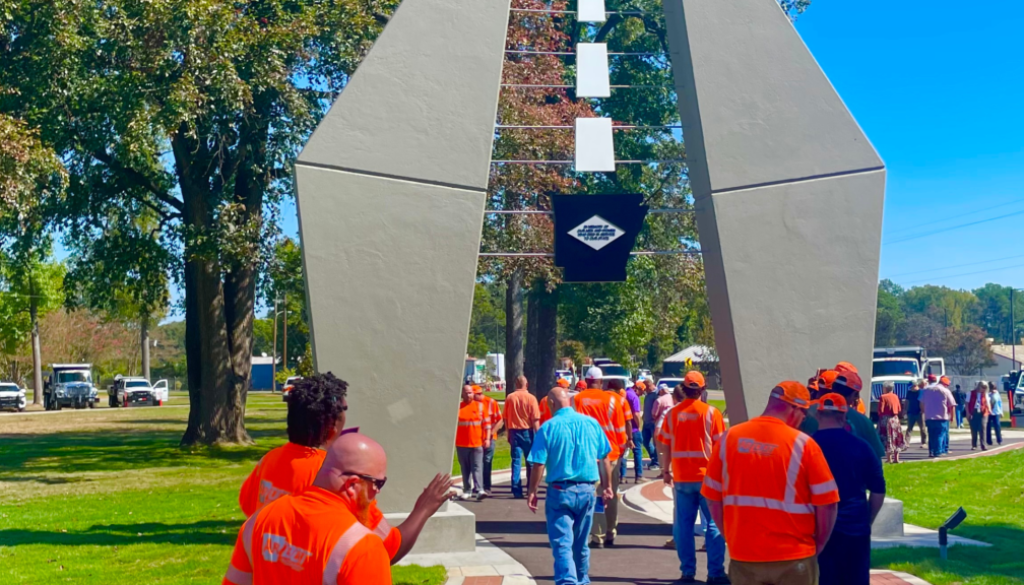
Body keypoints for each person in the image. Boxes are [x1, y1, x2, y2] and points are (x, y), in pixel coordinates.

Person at [224, 433, 452, 585]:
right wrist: (423, 510)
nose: (377, 492)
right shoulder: (363, 547)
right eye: (378, 483)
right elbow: (393, 546)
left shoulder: (259, 521)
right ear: (352, 485)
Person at [702, 381, 838, 585]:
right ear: (794, 408)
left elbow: (712, 498)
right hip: (794, 557)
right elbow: (828, 504)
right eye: (804, 414)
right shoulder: (804, 445)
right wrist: (817, 545)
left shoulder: (729, 439)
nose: (804, 419)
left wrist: (730, 537)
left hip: (745, 556)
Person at [527, 387, 614, 585]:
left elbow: (538, 463)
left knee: (562, 543)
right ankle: (582, 579)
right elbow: (604, 457)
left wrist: (532, 491)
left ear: (551, 403)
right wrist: (607, 486)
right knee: (581, 543)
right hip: (587, 490)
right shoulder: (591, 424)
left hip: (560, 491)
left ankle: (568, 581)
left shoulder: (548, 428)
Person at [656, 371, 728, 584]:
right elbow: (721, 447)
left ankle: (687, 573)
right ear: (702, 390)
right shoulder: (712, 413)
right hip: (708, 478)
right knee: (714, 525)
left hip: (682, 478)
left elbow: (665, 445)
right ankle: (715, 573)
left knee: (684, 527)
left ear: (684, 389)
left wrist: (666, 471)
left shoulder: (672, 414)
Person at [813, 394, 886, 585]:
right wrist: (867, 519)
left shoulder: (807, 447)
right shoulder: (862, 447)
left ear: (818, 415)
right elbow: (878, 489)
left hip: (817, 531)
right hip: (855, 529)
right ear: (844, 416)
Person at [574, 367, 628, 548]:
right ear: (601, 382)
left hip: (587, 454)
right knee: (610, 493)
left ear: (586, 381)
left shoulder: (577, 400)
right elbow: (620, 429)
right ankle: (611, 531)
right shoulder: (612, 400)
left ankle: (597, 535)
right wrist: (621, 450)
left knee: (595, 494)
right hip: (610, 454)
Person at [801, 372, 885, 459]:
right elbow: (876, 459)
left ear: (833, 388)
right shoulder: (865, 423)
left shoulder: (808, 412)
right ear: (855, 395)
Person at [504, 375, 541, 499]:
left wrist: (508, 433)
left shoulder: (510, 398)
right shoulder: (531, 398)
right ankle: (530, 487)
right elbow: (535, 419)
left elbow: (506, 418)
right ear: (527, 384)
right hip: (527, 432)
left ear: (516, 384)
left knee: (516, 461)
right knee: (530, 461)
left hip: (514, 431)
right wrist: (539, 435)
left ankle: (516, 489)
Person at [456, 384, 491, 499]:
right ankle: (467, 490)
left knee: (477, 467)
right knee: (465, 469)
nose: (468, 395)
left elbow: (487, 425)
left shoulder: (480, 406)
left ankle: (480, 490)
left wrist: (487, 439)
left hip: (477, 444)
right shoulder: (458, 408)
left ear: (473, 393)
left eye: (470, 393)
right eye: (466, 393)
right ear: (462, 394)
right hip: (461, 444)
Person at [475, 385, 503, 496]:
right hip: (476, 438)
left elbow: (500, 420)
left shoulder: (491, 402)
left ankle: (486, 486)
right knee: (477, 463)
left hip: (490, 438)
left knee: (487, 461)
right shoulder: (472, 404)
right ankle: (478, 486)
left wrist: (491, 432)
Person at [919, 376, 955, 458]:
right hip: (942, 416)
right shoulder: (945, 391)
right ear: (945, 384)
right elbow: (952, 404)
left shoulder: (926, 390)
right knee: (939, 434)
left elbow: (921, 403)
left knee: (931, 434)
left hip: (929, 416)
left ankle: (931, 451)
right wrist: (952, 416)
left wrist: (924, 411)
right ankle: (937, 451)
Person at [619, 380, 646, 484]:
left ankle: (623, 476)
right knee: (637, 452)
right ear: (637, 388)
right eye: (642, 391)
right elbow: (636, 414)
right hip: (633, 429)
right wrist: (639, 426)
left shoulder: (623, 394)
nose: (642, 394)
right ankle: (639, 476)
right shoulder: (634, 397)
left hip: (622, 428)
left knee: (624, 453)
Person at [876, 382, 906, 464]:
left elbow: (881, 410)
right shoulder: (895, 396)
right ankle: (896, 458)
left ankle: (889, 458)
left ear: (885, 388)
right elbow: (899, 409)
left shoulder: (883, 397)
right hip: (895, 419)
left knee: (887, 437)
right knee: (896, 437)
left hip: (886, 419)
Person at [642, 381, 662, 471]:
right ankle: (653, 457)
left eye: (645, 388)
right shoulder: (648, 394)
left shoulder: (656, 394)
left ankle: (656, 462)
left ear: (649, 386)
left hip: (653, 423)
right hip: (646, 422)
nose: (644, 390)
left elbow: (658, 406)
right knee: (645, 441)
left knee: (656, 443)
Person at [967, 381, 991, 451]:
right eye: (982, 387)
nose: (983, 389)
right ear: (979, 386)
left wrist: (989, 410)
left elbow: (988, 403)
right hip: (973, 412)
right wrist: (968, 413)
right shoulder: (970, 393)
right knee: (974, 429)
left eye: (985, 388)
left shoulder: (985, 394)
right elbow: (966, 403)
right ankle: (974, 445)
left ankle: (983, 445)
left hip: (983, 412)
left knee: (983, 428)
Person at [905, 379, 927, 448]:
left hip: (919, 412)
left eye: (912, 387)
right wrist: (905, 410)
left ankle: (924, 442)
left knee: (922, 428)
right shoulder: (909, 392)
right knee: (909, 428)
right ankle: (906, 443)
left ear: (915, 385)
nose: (911, 388)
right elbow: (907, 401)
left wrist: (923, 410)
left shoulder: (921, 392)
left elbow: (923, 402)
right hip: (911, 412)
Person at [987, 381, 1004, 446]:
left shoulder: (997, 393)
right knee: (988, 427)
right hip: (988, 412)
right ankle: (989, 441)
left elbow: (1000, 403)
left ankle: (999, 440)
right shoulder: (987, 394)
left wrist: (1001, 412)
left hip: (996, 412)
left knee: (997, 426)